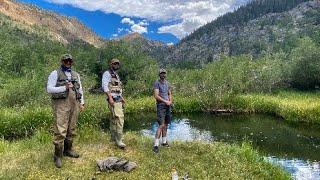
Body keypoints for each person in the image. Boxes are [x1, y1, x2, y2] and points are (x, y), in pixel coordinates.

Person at [47, 54, 85, 168]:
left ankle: (68, 150)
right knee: (60, 129)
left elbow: (80, 89)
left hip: (75, 104)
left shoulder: (76, 75)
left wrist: (82, 102)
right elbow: (49, 89)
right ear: (62, 61)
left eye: (70, 61)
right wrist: (64, 88)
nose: (68, 62)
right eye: (66, 61)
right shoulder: (55, 73)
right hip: (61, 105)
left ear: (72, 62)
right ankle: (57, 156)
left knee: (71, 128)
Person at [102, 58, 126, 149]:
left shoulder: (116, 75)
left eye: (117, 64)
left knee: (113, 119)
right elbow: (105, 86)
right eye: (114, 64)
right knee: (120, 118)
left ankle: (113, 138)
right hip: (113, 99)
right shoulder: (107, 73)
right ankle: (119, 140)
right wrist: (110, 98)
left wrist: (122, 98)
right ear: (110, 64)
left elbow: (117, 88)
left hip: (118, 98)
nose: (116, 65)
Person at [152, 68, 173, 153]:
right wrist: (165, 101)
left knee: (166, 125)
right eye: (162, 73)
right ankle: (156, 145)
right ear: (159, 74)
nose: (163, 75)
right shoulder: (157, 83)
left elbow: (169, 93)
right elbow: (156, 96)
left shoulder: (168, 83)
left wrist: (170, 101)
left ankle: (164, 142)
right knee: (161, 125)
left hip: (168, 106)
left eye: (164, 73)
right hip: (161, 106)